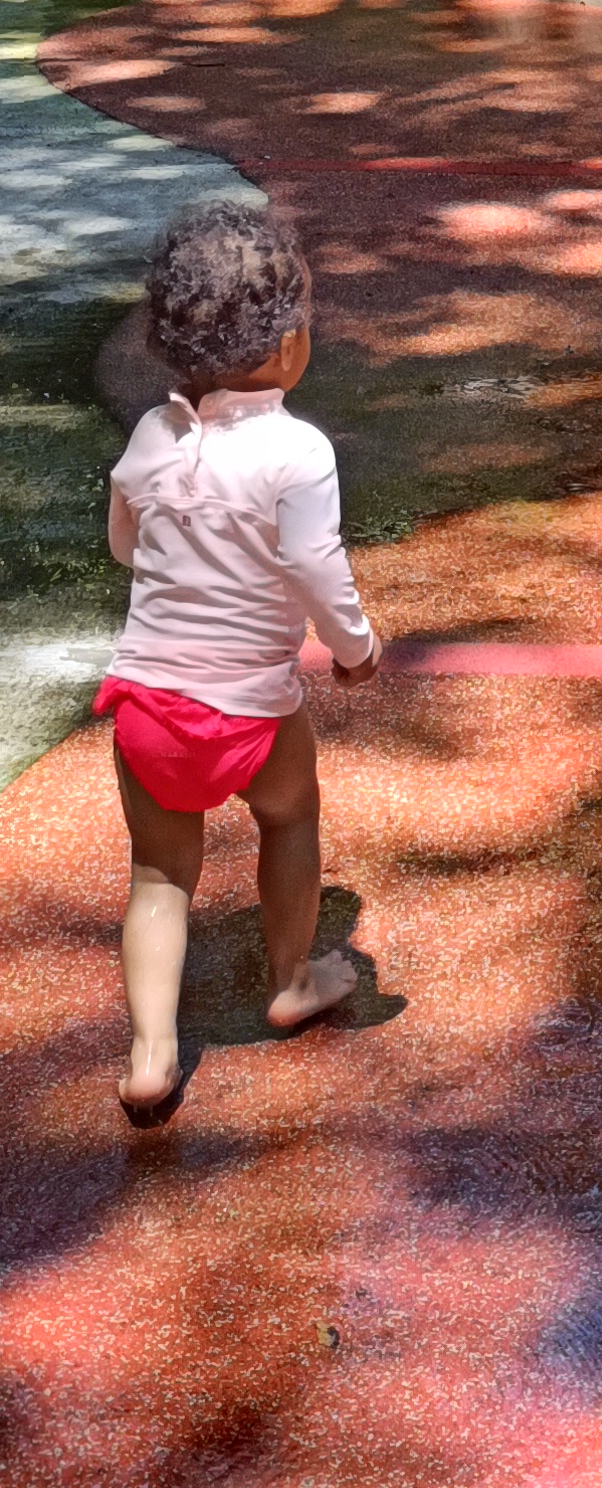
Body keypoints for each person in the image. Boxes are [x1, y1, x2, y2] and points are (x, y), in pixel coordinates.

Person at [97, 198, 382, 1128]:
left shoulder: (152, 435)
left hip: (147, 707)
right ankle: (293, 980)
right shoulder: (298, 451)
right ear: (289, 344)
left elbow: (125, 546)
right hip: (253, 710)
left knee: (158, 875)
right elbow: (315, 566)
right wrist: (355, 649)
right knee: (289, 816)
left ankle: (150, 1056)